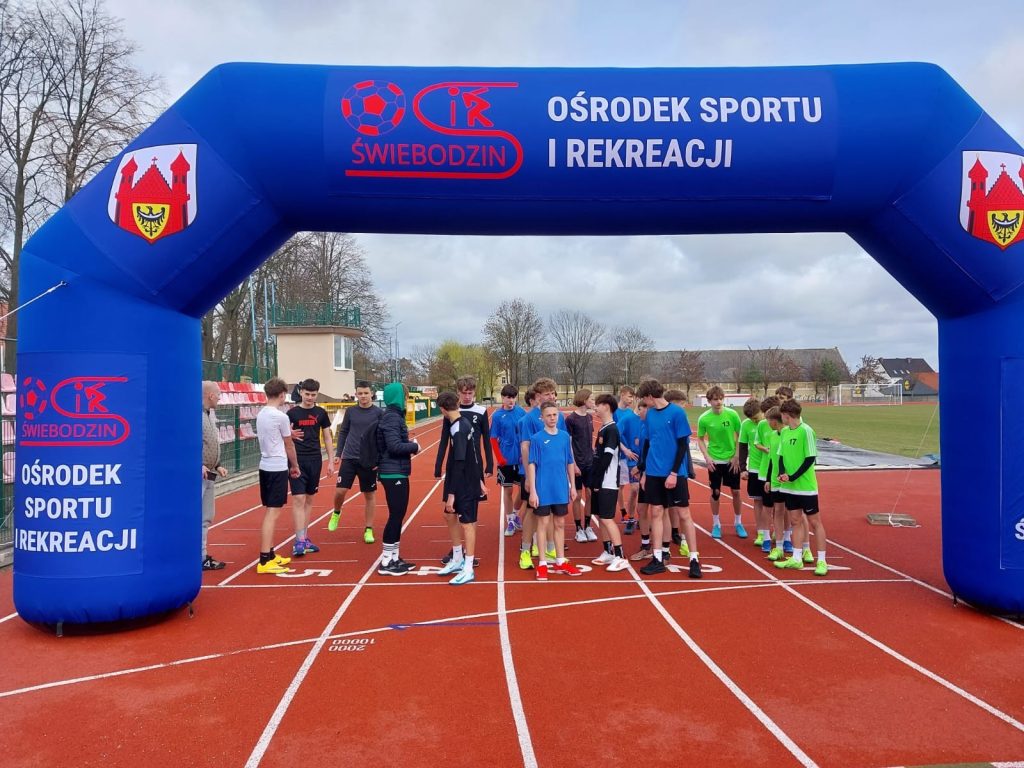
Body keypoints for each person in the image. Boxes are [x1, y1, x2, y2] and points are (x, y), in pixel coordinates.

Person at [636, 378, 701, 578]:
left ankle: (694, 559)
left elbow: (683, 445)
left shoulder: (677, 413)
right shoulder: (650, 415)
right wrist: (645, 472)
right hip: (654, 472)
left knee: (684, 515)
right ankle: (657, 558)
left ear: (648, 396)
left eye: (642, 398)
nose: (642, 402)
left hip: (674, 473)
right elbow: (647, 444)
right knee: (656, 512)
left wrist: (673, 473)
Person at [773, 399, 828, 575]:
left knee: (814, 522)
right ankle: (796, 558)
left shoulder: (806, 431)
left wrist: (793, 476)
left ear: (787, 415)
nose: (782, 418)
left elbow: (810, 458)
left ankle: (822, 560)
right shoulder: (785, 432)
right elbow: (780, 455)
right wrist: (782, 473)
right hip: (789, 486)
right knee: (795, 520)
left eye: (783, 415)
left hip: (806, 487)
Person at [436, 391, 486, 585]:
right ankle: (457, 559)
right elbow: (474, 452)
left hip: (464, 482)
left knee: (467, 523)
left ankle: (468, 567)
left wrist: (451, 494)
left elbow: (460, 461)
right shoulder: (461, 424)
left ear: (442, 410)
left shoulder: (459, 428)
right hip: (462, 479)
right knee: (449, 515)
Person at [528, 401, 581, 580]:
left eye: (554, 415)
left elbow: (569, 462)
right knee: (542, 525)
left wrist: (572, 486)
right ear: (541, 417)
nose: (552, 418)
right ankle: (542, 563)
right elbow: (532, 465)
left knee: (559, 524)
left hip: (560, 488)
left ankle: (560, 560)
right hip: (543, 489)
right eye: (548, 415)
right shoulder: (536, 438)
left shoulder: (565, 436)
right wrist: (533, 491)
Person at [518, 378, 567, 570]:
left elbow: (561, 442)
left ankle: (550, 548)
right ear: (537, 396)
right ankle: (525, 551)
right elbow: (525, 447)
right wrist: (529, 479)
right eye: (547, 394)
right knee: (532, 511)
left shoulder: (558, 416)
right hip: (533, 473)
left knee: (552, 513)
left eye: (553, 394)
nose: (552, 397)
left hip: (552, 474)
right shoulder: (528, 419)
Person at [255, 377, 300, 574]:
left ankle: (271, 554)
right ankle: (264, 559)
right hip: (276, 466)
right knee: (272, 513)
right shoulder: (281, 416)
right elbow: (288, 444)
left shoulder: (261, 414)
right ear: (282, 395)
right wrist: (295, 465)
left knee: (271, 511)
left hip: (265, 464)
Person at [328, 381, 381, 544]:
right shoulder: (351, 411)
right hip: (350, 457)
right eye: (360, 393)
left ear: (371, 393)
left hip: (368, 459)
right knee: (340, 491)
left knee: (369, 495)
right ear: (356, 394)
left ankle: (368, 529)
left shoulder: (379, 413)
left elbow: (381, 436)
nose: (363, 396)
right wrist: (338, 453)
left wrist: (379, 458)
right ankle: (336, 512)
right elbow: (344, 432)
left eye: (366, 393)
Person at [376, 382, 421, 575]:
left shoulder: (392, 416)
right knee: (395, 515)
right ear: (398, 397)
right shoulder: (392, 418)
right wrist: (414, 446)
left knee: (398, 514)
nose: (407, 399)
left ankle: (394, 557)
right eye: (405, 396)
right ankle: (386, 561)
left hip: (396, 470)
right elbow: (394, 446)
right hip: (392, 471)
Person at [287, 378, 334, 557]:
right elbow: (284, 437)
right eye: (307, 394)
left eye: (313, 395)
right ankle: (298, 540)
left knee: (308, 500)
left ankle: (304, 537)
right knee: (298, 499)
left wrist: (330, 461)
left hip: (315, 460)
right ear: (301, 393)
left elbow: (328, 437)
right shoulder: (292, 414)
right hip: (296, 461)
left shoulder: (321, 413)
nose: (310, 398)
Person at [696, 385, 746, 539]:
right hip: (715, 460)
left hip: (731, 460)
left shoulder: (732, 415)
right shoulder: (704, 418)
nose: (719, 402)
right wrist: (707, 457)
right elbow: (699, 438)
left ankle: (738, 522)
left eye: (721, 398)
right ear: (709, 401)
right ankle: (716, 524)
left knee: (736, 492)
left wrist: (737, 456)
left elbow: (740, 436)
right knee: (716, 493)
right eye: (715, 399)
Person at [589, 394, 629, 572]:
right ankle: (608, 551)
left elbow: (607, 457)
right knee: (601, 517)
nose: (595, 408)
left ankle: (620, 556)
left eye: (597, 404)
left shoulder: (612, 430)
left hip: (608, 481)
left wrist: (597, 480)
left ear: (606, 406)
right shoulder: (604, 428)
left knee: (607, 518)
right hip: (600, 480)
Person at [490, 383, 526, 536]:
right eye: (508, 398)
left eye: (513, 398)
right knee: (508, 489)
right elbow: (493, 439)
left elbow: (526, 433)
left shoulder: (521, 412)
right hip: (505, 459)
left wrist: (525, 453)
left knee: (524, 490)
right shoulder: (498, 416)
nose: (511, 401)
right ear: (503, 398)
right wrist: (500, 458)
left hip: (520, 459)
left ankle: (516, 515)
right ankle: (510, 521)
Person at [201, 381, 228, 570]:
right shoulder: (194, 415)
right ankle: (197, 556)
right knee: (197, 517)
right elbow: (186, 442)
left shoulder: (210, 414)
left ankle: (201, 555)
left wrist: (217, 464)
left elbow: (209, 442)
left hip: (210, 472)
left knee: (206, 516)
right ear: (210, 395)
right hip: (199, 474)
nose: (219, 397)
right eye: (218, 394)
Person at [565, 388, 597, 543]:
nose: (593, 401)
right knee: (577, 496)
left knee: (590, 494)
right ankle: (578, 528)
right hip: (577, 463)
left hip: (590, 462)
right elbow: (569, 443)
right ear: (584, 399)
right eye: (591, 398)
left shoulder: (590, 417)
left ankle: (588, 526)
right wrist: (574, 464)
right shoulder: (571, 419)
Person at [737, 397, 768, 548]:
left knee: (773, 502)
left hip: (770, 467)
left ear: (762, 411)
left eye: (756, 418)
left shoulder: (770, 423)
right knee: (758, 501)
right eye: (751, 419)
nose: (754, 421)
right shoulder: (746, 425)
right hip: (755, 468)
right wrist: (743, 468)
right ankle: (761, 531)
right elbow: (743, 447)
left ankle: (775, 531)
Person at [614, 386, 640, 533]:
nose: (631, 400)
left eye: (632, 397)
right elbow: (614, 433)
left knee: (634, 487)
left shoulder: (632, 413)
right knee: (620, 485)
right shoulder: (616, 413)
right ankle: (623, 511)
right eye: (629, 397)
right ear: (622, 395)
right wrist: (624, 449)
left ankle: (632, 515)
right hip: (620, 456)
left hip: (632, 457)